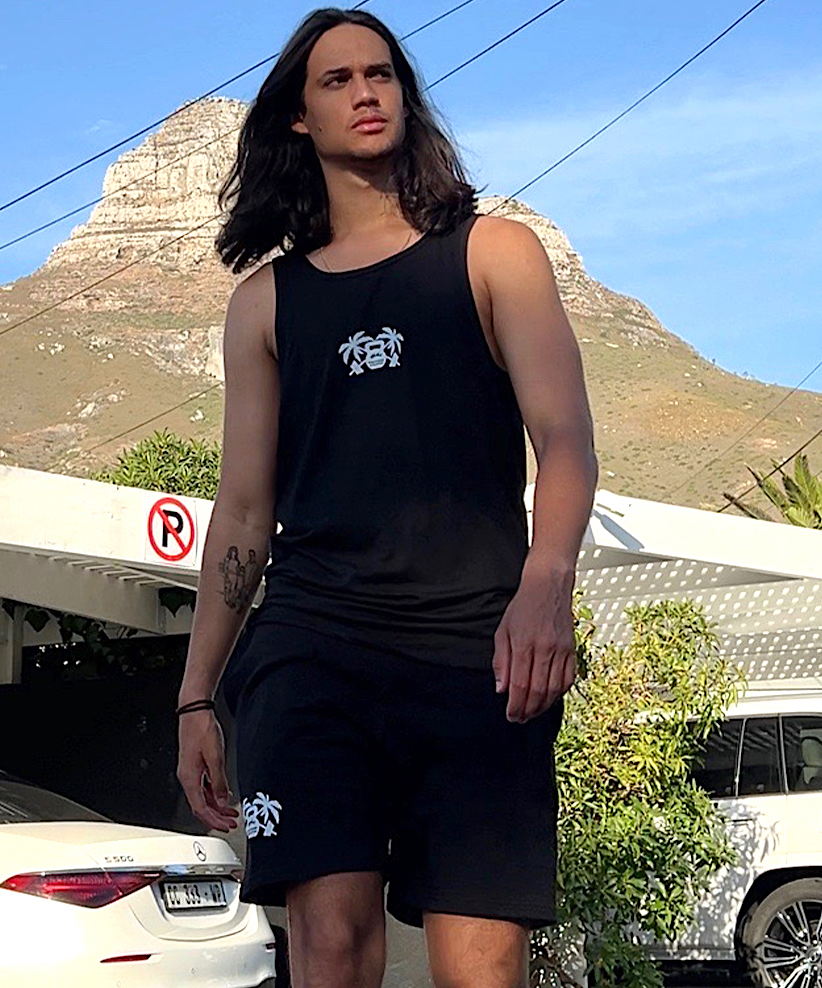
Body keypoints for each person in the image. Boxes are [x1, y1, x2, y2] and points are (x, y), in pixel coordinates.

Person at [176, 7, 598, 988]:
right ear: (298, 117)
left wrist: (548, 583)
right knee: (329, 945)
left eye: (381, 73)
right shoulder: (265, 303)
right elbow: (243, 513)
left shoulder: (495, 253)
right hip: (313, 646)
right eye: (338, 79)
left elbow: (566, 439)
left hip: (478, 647)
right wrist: (197, 693)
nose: (366, 92)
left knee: (481, 964)